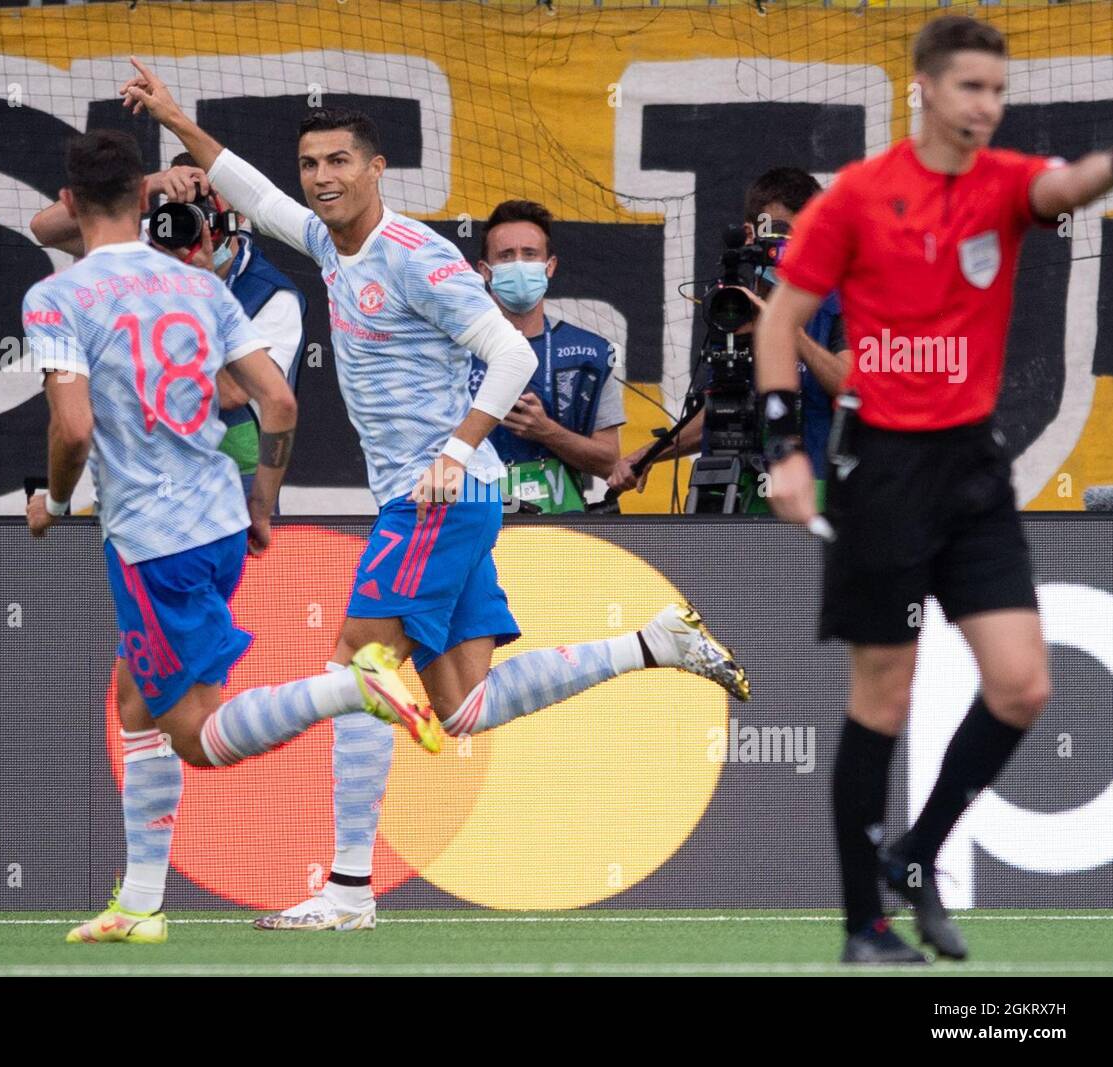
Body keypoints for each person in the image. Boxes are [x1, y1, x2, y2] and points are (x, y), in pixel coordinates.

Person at [121, 58, 751, 932]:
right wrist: (178, 119)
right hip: (441, 497)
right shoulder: (328, 241)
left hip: (436, 496)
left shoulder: (418, 256)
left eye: (340, 161)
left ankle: (346, 890)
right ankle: (653, 643)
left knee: (358, 670)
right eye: (312, 164)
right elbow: (256, 195)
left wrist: (456, 448)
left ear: (377, 170)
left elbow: (515, 356)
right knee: (463, 706)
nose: (323, 177)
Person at [755, 14, 1113, 963]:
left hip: (973, 469)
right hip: (881, 469)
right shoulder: (861, 197)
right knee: (883, 696)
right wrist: (786, 446)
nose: (986, 108)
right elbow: (779, 322)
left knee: (1023, 686)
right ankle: (861, 924)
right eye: (970, 89)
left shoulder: (1003, 182)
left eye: (998, 92)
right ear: (923, 88)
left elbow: (1069, 183)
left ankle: (915, 852)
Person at [22, 129, 439, 944]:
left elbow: (71, 430)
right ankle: (140, 903)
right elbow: (277, 405)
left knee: (202, 735)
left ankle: (354, 688)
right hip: (218, 520)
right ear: (144, 198)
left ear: (70, 204)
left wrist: (56, 501)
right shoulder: (201, 284)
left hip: (150, 538)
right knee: (135, 695)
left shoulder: (57, 297)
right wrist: (262, 501)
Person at [30, 154, 307, 503]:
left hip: (231, 471)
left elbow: (234, 393)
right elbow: (45, 228)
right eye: (180, 210)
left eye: (203, 214)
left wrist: (198, 292)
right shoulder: (151, 243)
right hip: (143, 466)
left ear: (236, 219)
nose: (189, 231)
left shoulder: (274, 295)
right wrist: (152, 183)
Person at [609, 168, 850, 506]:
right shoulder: (730, 305)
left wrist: (782, 327)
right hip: (735, 490)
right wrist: (649, 454)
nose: (792, 249)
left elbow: (849, 383)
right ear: (750, 234)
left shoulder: (839, 302)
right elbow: (720, 409)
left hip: (814, 490)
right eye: (781, 234)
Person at [469, 199, 625, 513]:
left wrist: (546, 431)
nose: (519, 264)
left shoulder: (591, 353)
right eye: (506, 256)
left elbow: (609, 463)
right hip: (475, 527)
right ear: (485, 271)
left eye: (529, 255)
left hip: (560, 535)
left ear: (549, 266)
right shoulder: (452, 353)